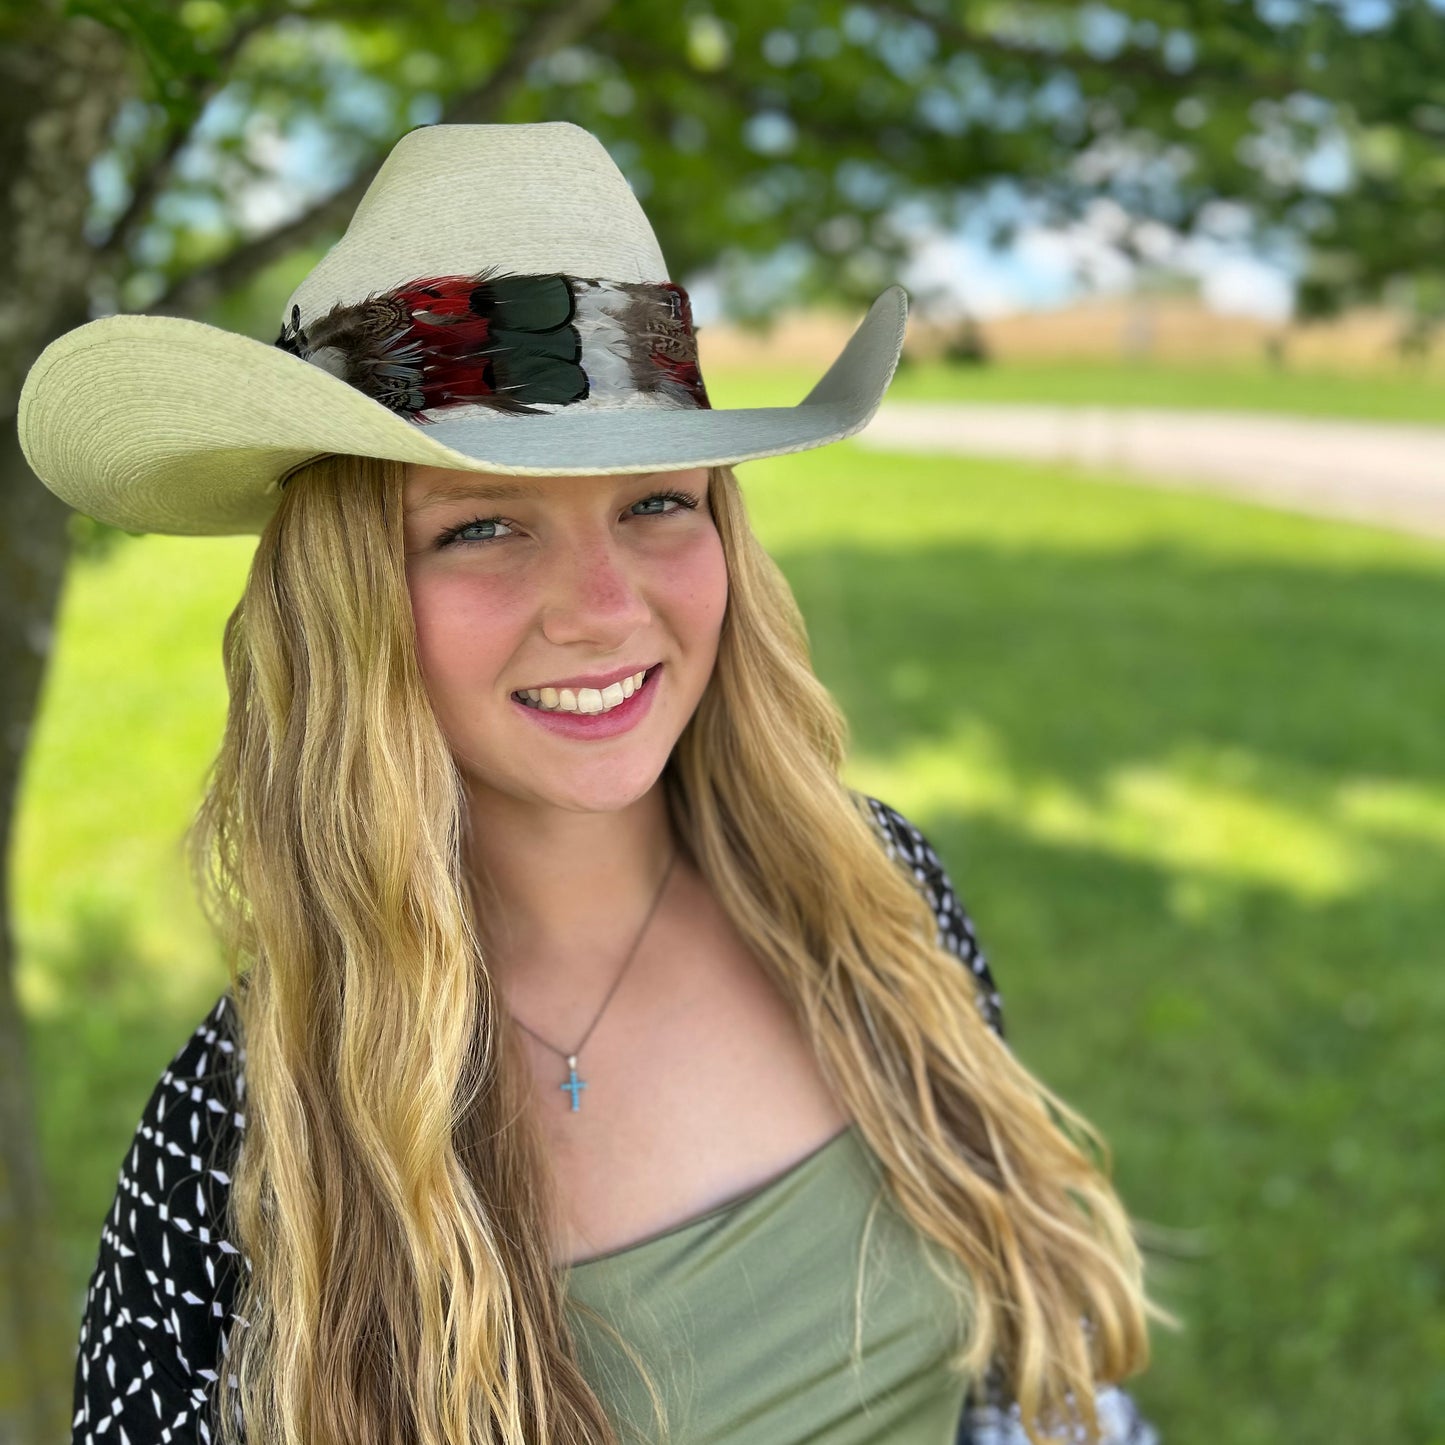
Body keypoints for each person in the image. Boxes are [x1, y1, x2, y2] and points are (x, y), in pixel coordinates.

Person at [19, 121, 1172, 1445]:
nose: (603, 609)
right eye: (483, 525)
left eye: (655, 504)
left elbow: (1025, 1390)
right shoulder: (242, 1135)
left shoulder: (871, 892)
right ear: (345, 605)